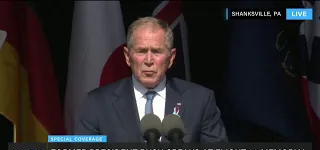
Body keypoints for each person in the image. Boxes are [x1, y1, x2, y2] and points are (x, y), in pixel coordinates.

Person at [74, 16, 227, 143]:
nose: (148, 60)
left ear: (171, 58)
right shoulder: (97, 103)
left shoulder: (200, 101)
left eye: (156, 51)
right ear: (127, 57)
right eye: (141, 51)